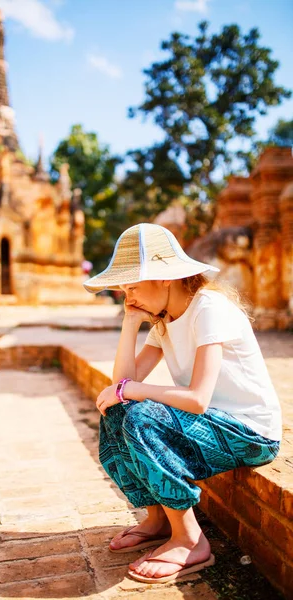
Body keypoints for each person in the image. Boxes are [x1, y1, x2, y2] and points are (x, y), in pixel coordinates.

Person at [83, 223, 282, 585]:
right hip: (209, 426)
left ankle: (189, 539)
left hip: (250, 433)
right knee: (117, 411)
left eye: (133, 285)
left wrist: (131, 391)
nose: (128, 295)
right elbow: (122, 384)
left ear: (164, 279)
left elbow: (196, 399)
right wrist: (130, 323)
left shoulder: (209, 308)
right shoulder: (164, 322)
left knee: (140, 414)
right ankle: (158, 518)